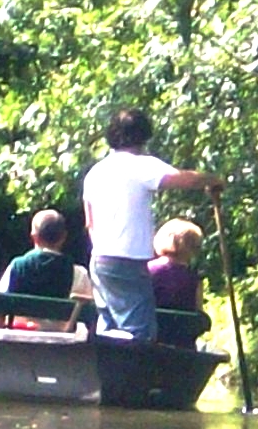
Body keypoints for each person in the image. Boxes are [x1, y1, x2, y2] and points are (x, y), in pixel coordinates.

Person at [82, 107, 223, 343]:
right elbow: (184, 179)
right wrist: (212, 180)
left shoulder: (95, 173)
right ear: (144, 136)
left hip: (99, 260)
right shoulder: (141, 165)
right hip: (128, 260)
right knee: (139, 332)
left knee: (108, 328)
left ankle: (104, 376)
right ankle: (131, 379)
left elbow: (90, 222)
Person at [149, 218, 203, 312]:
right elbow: (198, 313)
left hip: (153, 325)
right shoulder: (195, 278)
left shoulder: (148, 270)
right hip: (184, 326)